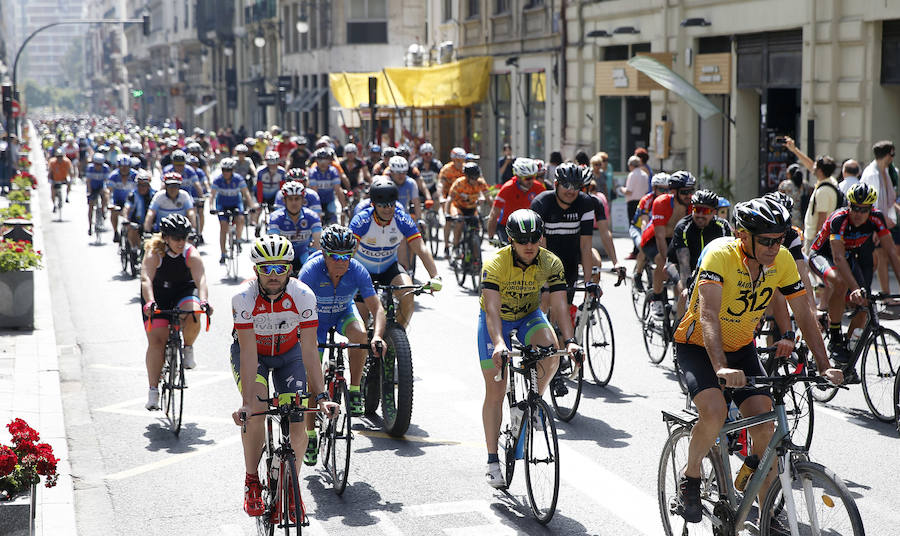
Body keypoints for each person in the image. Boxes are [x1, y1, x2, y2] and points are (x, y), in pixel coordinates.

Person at [673, 198, 842, 524]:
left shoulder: (781, 260)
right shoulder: (719, 255)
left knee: (766, 426)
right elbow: (708, 315)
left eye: (779, 239)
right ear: (742, 234)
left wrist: (824, 364)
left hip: (742, 347)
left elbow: (804, 313)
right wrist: (721, 365)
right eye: (766, 240)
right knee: (714, 413)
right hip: (698, 346)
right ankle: (691, 476)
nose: (773, 246)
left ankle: (767, 518)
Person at [230, 235, 338, 518]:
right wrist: (246, 403)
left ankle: (291, 486)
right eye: (267, 268)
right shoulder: (243, 298)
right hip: (254, 355)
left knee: (298, 420)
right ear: (256, 270)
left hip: (290, 354)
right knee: (257, 409)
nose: (274, 275)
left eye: (281, 267)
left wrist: (323, 395)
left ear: (290, 268)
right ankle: (251, 480)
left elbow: (310, 349)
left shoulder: (303, 295)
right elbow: (250, 352)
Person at [479, 209, 581, 488]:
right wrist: (499, 343)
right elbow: (491, 309)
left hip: (529, 316)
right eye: (522, 239)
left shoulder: (551, 262)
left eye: (534, 238)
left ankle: (533, 402)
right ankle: (491, 461)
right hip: (498, 319)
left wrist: (570, 340)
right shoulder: (496, 263)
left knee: (552, 355)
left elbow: (560, 305)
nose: (529, 245)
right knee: (496, 390)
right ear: (510, 239)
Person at [297, 226, 386, 460]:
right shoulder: (310, 272)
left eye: (347, 256)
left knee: (360, 335)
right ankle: (310, 433)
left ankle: (355, 388)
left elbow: (377, 308)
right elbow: (296, 309)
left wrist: (377, 336)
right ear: (324, 254)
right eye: (335, 256)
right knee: (311, 380)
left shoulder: (357, 270)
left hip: (342, 312)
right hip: (314, 320)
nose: (341, 262)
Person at [808, 183, 900, 365]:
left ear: (871, 209)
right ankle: (835, 338)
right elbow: (838, 257)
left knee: (864, 304)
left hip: (848, 256)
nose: (858, 213)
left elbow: (891, 253)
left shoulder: (877, 218)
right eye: (855, 208)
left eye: (863, 209)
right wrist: (855, 288)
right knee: (840, 282)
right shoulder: (839, 219)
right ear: (848, 205)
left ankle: (847, 357)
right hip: (822, 255)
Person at [140, 214, 212, 410]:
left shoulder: (191, 253)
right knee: (157, 341)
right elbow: (146, 279)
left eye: (185, 237)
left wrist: (204, 300)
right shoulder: (155, 253)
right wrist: (150, 303)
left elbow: (201, 280)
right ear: (166, 238)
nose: (181, 242)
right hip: (158, 295)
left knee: (194, 312)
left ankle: (187, 348)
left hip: (183, 291)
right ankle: (153, 390)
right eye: (176, 238)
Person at [350, 178, 442, 328]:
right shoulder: (362, 220)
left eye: (391, 205)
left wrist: (435, 276)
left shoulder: (401, 219)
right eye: (383, 206)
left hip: (389, 267)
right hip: (362, 271)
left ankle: (396, 337)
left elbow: (421, 248)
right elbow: (350, 253)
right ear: (373, 205)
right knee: (361, 320)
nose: (388, 209)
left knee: (408, 294)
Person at [669, 190, 732, 317]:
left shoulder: (723, 227)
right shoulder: (683, 227)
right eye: (697, 210)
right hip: (677, 265)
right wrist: (688, 288)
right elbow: (684, 264)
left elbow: (729, 258)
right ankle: (678, 332)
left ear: (714, 212)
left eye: (706, 211)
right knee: (685, 294)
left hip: (709, 268)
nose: (700, 215)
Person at [641, 171, 695, 319]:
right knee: (661, 260)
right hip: (652, 240)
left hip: (674, 239)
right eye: (685, 192)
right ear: (673, 191)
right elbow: (659, 235)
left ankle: (678, 305)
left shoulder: (692, 205)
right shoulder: (661, 202)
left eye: (691, 191)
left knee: (684, 265)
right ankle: (656, 299)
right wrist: (667, 262)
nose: (689, 195)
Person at [784, 137, 839, 252]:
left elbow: (822, 218)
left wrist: (816, 241)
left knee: (812, 268)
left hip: (815, 237)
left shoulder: (822, 191)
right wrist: (794, 150)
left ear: (820, 171)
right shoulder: (830, 181)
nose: (812, 167)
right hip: (817, 235)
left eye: (816, 166)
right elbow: (810, 165)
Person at [860, 140, 900, 297]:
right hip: (873, 224)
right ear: (888, 154)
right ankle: (879, 294)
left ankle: (885, 293)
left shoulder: (885, 172)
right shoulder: (872, 174)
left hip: (882, 224)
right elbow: (872, 204)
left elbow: (889, 201)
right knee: (878, 259)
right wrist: (875, 228)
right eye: (893, 154)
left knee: (883, 258)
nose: (893, 158)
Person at [486, 157, 546, 243]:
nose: (531, 181)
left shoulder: (539, 188)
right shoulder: (507, 188)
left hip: (529, 227)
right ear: (518, 177)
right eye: (527, 178)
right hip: (506, 226)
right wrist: (491, 237)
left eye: (533, 177)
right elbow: (494, 213)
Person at [210, 158, 256, 264]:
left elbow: (246, 194)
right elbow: (212, 195)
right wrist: (211, 207)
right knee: (223, 227)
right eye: (224, 170)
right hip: (222, 204)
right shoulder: (217, 179)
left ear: (233, 170)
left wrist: (251, 206)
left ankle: (238, 239)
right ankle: (223, 253)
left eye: (228, 170)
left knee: (240, 218)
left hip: (235, 203)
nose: (226, 172)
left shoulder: (238, 179)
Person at [268, 181, 322, 272]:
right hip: (283, 256)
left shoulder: (312, 216)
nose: (294, 203)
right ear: (284, 200)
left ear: (303, 200)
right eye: (290, 199)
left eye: (297, 199)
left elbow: (319, 245)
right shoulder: (275, 218)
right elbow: (273, 246)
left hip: (304, 254)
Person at [446, 162, 489, 258]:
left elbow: (489, 198)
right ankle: (456, 246)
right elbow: (449, 199)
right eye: (472, 178)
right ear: (467, 177)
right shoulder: (459, 183)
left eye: (476, 177)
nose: (475, 180)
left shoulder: (480, 182)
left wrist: (494, 210)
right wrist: (447, 214)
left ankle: (475, 255)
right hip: (458, 207)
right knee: (459, 222)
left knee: (475, 226)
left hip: (471, 208)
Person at [630, 172, 669, 278]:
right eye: (661, 189)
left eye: (667, 189)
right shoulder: (647, 200)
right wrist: (645, 238)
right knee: (643, 247)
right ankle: (637, 274)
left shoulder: (670, 200)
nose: (665, 192)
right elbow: (644, 222)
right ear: (654, 188)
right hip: (638, 228)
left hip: (657, 229)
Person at [307, 148, 345, 225]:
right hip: (316, 201)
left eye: (325, 159)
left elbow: (338, 190)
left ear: (330, 161)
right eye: (320, 159)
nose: (323, 162)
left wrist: (344, 207)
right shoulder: (313, 172)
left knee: (334, 222)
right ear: (316, 161)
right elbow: (315, 193)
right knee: (315, 222)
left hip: (329, 200)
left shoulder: (333, 171)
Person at [622, 155, 650, 257]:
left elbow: (629, 191)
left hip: (632, 202)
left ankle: (636, 250)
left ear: (631, 165)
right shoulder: (645, 175)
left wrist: (621, 189)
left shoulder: (632, 175)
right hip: (642, 202)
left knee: (634, 227)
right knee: (641, 226)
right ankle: (639, 248)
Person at [107, 154, 137, 243]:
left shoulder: (135, 175)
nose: (124, 169)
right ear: (118, 166)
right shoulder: (113, 176)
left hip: (131, 202)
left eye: (126, 167)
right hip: (118, 201)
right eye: (122, 167)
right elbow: (109, 191)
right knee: (114, 211)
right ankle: (116, 232)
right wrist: (109, 202)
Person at [123, 171, 156, 250]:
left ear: (148, 185)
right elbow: (127, 207)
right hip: (136, 221)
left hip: (151, 223)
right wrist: (125, 218)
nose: (142, 187)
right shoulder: (133, 195)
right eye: (139, 185)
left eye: (144, 185)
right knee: (133, 229)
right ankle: (134, 249)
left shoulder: (154, 195)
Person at [84, 152, 110, 236]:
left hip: (101, 187)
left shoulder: (106, 168)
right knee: (91, 206)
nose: (98, 166)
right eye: (96, 164)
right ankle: (90, 226)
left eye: (100, 164)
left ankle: (103, 210)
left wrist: (105, 190)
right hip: (92, 187)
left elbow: (107, 182)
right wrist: (89, 192)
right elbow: (88, 181)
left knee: (106, 195)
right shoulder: (90, 168)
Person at [777, 163, 805, 228]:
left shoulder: (784, 184)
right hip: (800, 216)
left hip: (787, 215)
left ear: (790, 174)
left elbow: (779, 199)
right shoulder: (804, 185)